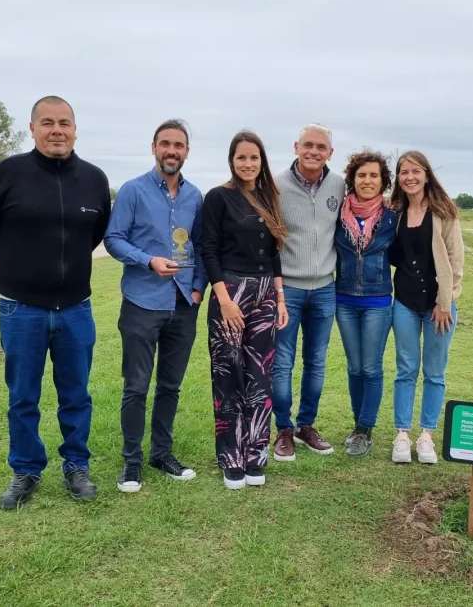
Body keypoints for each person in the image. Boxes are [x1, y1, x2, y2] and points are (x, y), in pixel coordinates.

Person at [0, 95, 110, 510]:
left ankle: (77, 466)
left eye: (64, 123)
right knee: (23, 396)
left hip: (76, 308)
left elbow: (95, 232)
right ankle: (26, 470)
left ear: (75, 129)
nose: (57, 130)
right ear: (32, 129)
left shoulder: (94, 179)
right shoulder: (8, 174)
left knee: (76, 395)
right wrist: (13, 266)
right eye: (47, 122)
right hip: (21, 308)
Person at [104, 119, 208, 493]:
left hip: (183, 304)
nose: (171, 151)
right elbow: (114, 239)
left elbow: (202, 245)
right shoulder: (133, 191)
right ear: (154, 148)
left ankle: (161, 453)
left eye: (178, 145)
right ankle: (132, 461)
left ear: (187, 152)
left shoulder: (195, 196)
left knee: (170, 386)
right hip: (142, 302)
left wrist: (198, 289)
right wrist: (148, 260)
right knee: (136, 386)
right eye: (165, 144)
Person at [202, 131, 289, 490]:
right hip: (230, 292)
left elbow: (274, 253)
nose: (248, 164)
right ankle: (231, 458)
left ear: (261, 161)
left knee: (260, 377)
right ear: (232, 160)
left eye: (254, 157)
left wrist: (280, 298)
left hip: (266, 294)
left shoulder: (269, 198)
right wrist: (224, 299)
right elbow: (208, 250)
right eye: (241, 157)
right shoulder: (218, 197)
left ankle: (256, 456)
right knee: (229, 375)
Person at [271, 123, 346, 461]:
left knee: (316, 361)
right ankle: (284, 429)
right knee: (282, 363)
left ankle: (306, 426)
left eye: (321, 147)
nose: (314, 151)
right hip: (288, 288)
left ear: (330, 152)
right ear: (296, 147)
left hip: (325, 289)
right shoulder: (276, 185)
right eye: (308, 145)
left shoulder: (339, 184)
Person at [388, 150, 464, 464]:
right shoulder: (395, 211)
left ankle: (426, 436)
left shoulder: (444, 211)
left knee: (434, 372)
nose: (410, 177)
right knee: (406, 369)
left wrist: (445, 303)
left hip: (439, 307)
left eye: (415, 171)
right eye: (404, 172)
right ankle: (402, 434)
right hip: (404, 302)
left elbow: (456, 261)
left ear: (426, 174)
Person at [334, 151, 398, 457]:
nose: (367, 180)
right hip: (344, 300)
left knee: (371, 368)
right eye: (362, 175)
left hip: (377, 301)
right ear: (352, 179)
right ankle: (358, 424)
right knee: (355, 367)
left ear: (383, 181)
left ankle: (364, 429)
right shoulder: (338, 214)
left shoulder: (392, 216)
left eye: (374, 175)